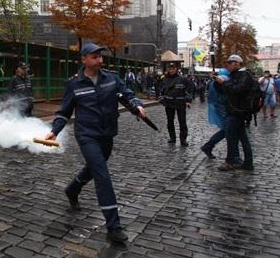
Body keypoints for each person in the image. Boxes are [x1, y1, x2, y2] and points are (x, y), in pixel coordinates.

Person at [44, 42, 147, 244]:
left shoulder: (111, 78)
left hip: (107, 133)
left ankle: (73, 188)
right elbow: (64, 112)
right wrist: (54, 131)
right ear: (84, 59)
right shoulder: (74, 84)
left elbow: (127, 95)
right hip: (86, 135)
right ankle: (114, 226)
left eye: (100, 56)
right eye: (94, 57)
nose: (99, 60)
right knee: (102, 174)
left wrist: (137, 105)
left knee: (94, 167)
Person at [214, 54, 254, 171]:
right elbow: (225, 91)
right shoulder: (235, 75)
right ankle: (247, 163)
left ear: (237, 64)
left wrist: (224, 83)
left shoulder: (244, 75)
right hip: (235, 111)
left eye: (230, 63)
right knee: (242, 137)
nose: (227, 66)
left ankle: (231, 161)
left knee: (231, 136)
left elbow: (237, 90)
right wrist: (217, 82)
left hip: (238, 111)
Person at [160, 62, 193, 146]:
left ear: (176, 69)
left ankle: (183, 140)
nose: (171, 70)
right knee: (170, 121)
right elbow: (161, 90)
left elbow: (189, 89)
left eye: (173, 68)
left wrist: (188, 100)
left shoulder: (183, 79)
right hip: (169, 103)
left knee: (182, 121)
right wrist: (161, 99)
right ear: (167, 69)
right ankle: (172, 138)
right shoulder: (164, 79)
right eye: (169, 68)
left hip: (180, 103)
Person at [200, 68, 230, 159]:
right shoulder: (225, 79)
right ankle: (208, 146)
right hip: (224, 107)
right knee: (227, 130)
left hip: (218, 106)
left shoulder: (214, 81)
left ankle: (208, 146)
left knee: (228, 130)